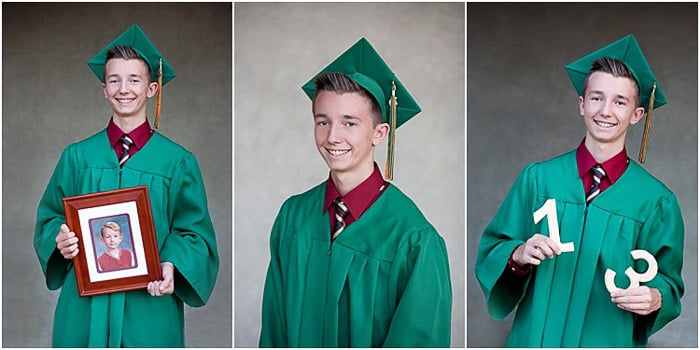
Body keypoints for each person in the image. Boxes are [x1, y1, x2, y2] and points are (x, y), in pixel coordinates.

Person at [474, 35, 684, 347]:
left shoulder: (656, 202)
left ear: (636, 115)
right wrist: (518, 254)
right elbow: (494, 249)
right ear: (582, 104)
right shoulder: (538, 180)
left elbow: (668, 283)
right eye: (597, 98)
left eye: (620, 102)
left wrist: (655, 297)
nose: (606, 111)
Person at [259, 38, 452, 347]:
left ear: (380, 133)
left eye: (349, 123)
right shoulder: (292, 218)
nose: (332, 137)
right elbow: (274, 332)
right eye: (323, 121)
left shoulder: (414, 239)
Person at [34, 24, 219, 347]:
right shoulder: (78, 157)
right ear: (103, 89)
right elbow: (51, 217)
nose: (124, 89)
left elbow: (194, 233)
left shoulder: (177, 162)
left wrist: (172, 263)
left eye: (134, 79)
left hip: (148, 309)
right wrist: (59, 239)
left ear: (151, 89)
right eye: (114, 80)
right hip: (84, 305)